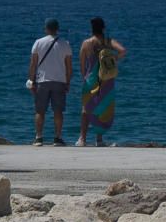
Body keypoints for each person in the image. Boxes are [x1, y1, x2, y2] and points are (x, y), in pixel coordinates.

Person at [77, 17, 127, 147]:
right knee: (103, 107)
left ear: (92, 29)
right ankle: (99, 139)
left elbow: (82, 64)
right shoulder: (108, 41)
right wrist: (113, 59)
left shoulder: (86, 43)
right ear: (103, 28)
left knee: (86, 107)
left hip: (91, 79)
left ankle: (82, 139)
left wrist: (85, 77)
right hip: (106, 79)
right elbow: (123, 50)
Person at [28, 18, 72, 147]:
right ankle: (57, 138)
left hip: (42, 80)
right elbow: (69, 67)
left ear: (46, 29)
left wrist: (31, 80)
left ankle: (38, 137)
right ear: (57, 29)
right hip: (59, 80)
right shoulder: (65, 44)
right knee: (58, 111)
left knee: (40, 111)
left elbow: (33, 64)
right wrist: (68, 82)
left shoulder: (38, 42)